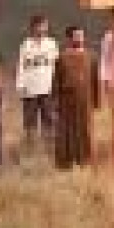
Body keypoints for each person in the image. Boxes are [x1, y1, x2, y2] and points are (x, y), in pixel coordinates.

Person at [51, 25, 100, 169]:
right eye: (76, 36)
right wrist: (55, 102)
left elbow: (95, 80)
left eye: (81, 35)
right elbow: (56, 82)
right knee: (67, 132)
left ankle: (86, 161)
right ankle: (66, 163)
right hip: (67, 101)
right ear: (69, 38)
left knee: (85, 131)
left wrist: (96, 101)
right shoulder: (62, 57)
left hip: (85, 100)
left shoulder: (91, 56)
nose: (79, 38)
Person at [15, 14, 58, 147]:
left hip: (48, 87)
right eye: (40, 26)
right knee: (30, 122)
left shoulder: (51, 43)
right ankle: (31, 149)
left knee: (49, 120)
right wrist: (20, 86)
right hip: (30, 89)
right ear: (33, 28)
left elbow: (57, 65)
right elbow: (21, 66)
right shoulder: (26, 45)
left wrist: (57, 86)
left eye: (45, 26)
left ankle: (49, 148)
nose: (42, 29)